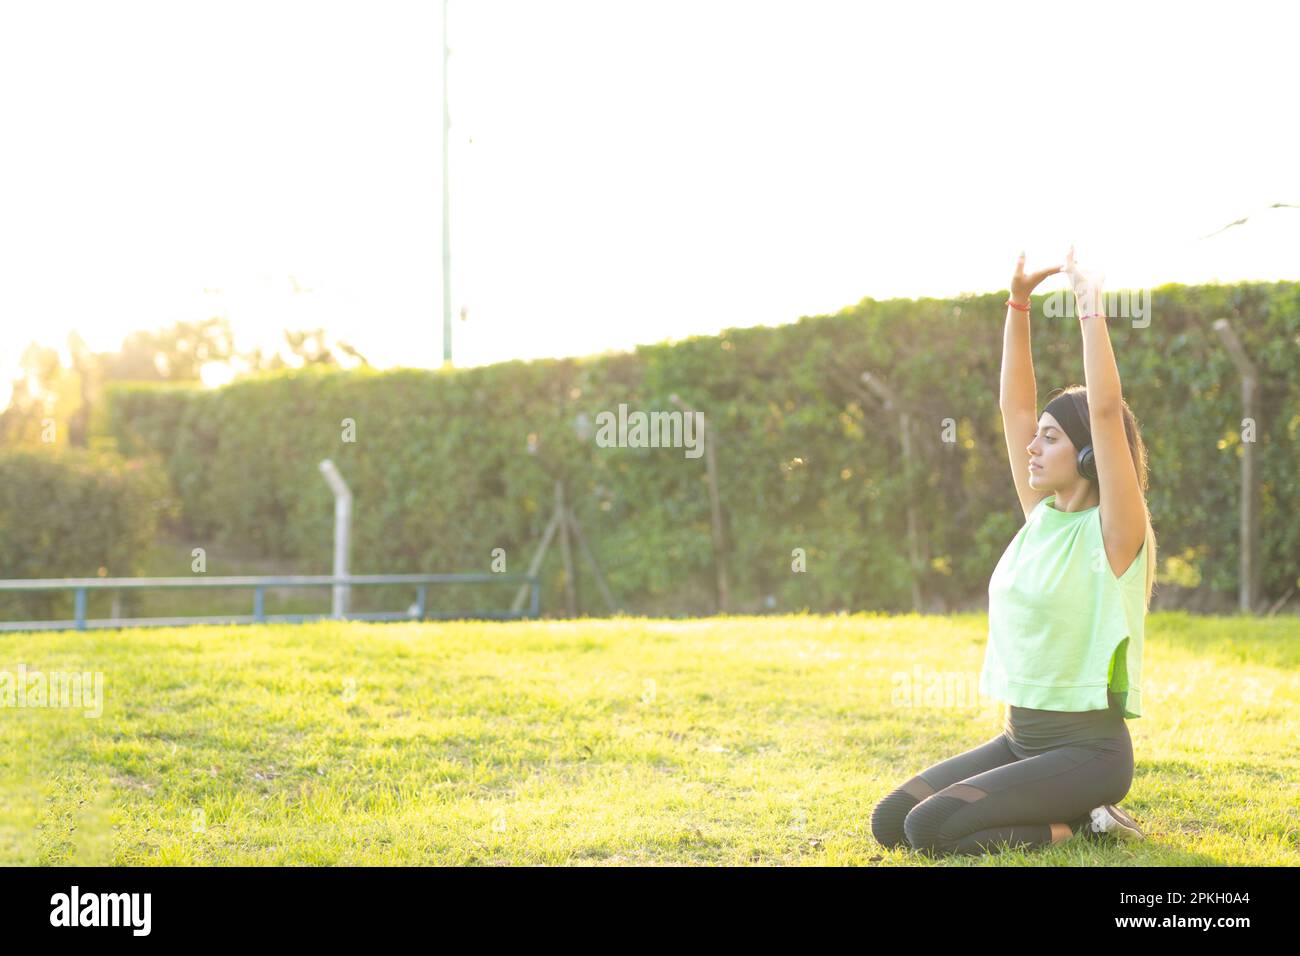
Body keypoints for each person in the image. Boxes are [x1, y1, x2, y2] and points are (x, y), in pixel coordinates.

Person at [870, 248, 1159, 857]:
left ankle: (1084, 822)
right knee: (893, 819)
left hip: (1086, 755)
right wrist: (1018, 303)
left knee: (930, 830)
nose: (1031, 445)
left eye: (1049, 438)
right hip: (1020, 741)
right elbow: (1014, 408)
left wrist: (1089, 308)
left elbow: (1106, 413)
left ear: (1087, 456)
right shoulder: (1040, 519)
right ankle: (1079, 818)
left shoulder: (1114, 536)